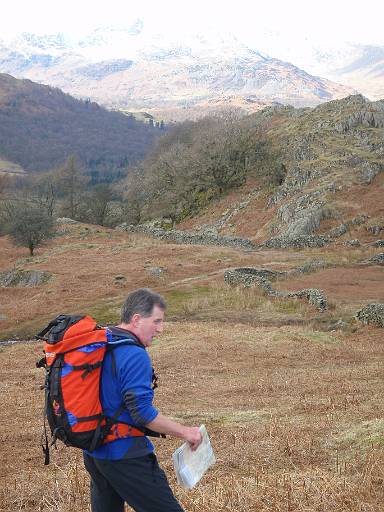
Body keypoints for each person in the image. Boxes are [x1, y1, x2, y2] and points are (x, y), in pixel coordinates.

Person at [83, 288, 202, 512]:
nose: (160, 329)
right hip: (124, 453)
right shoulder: (134, 354)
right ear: (136, 319)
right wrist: (186, 432)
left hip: (94, 451)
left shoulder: (104, 342)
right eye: (156, 321)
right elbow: (143, 413)